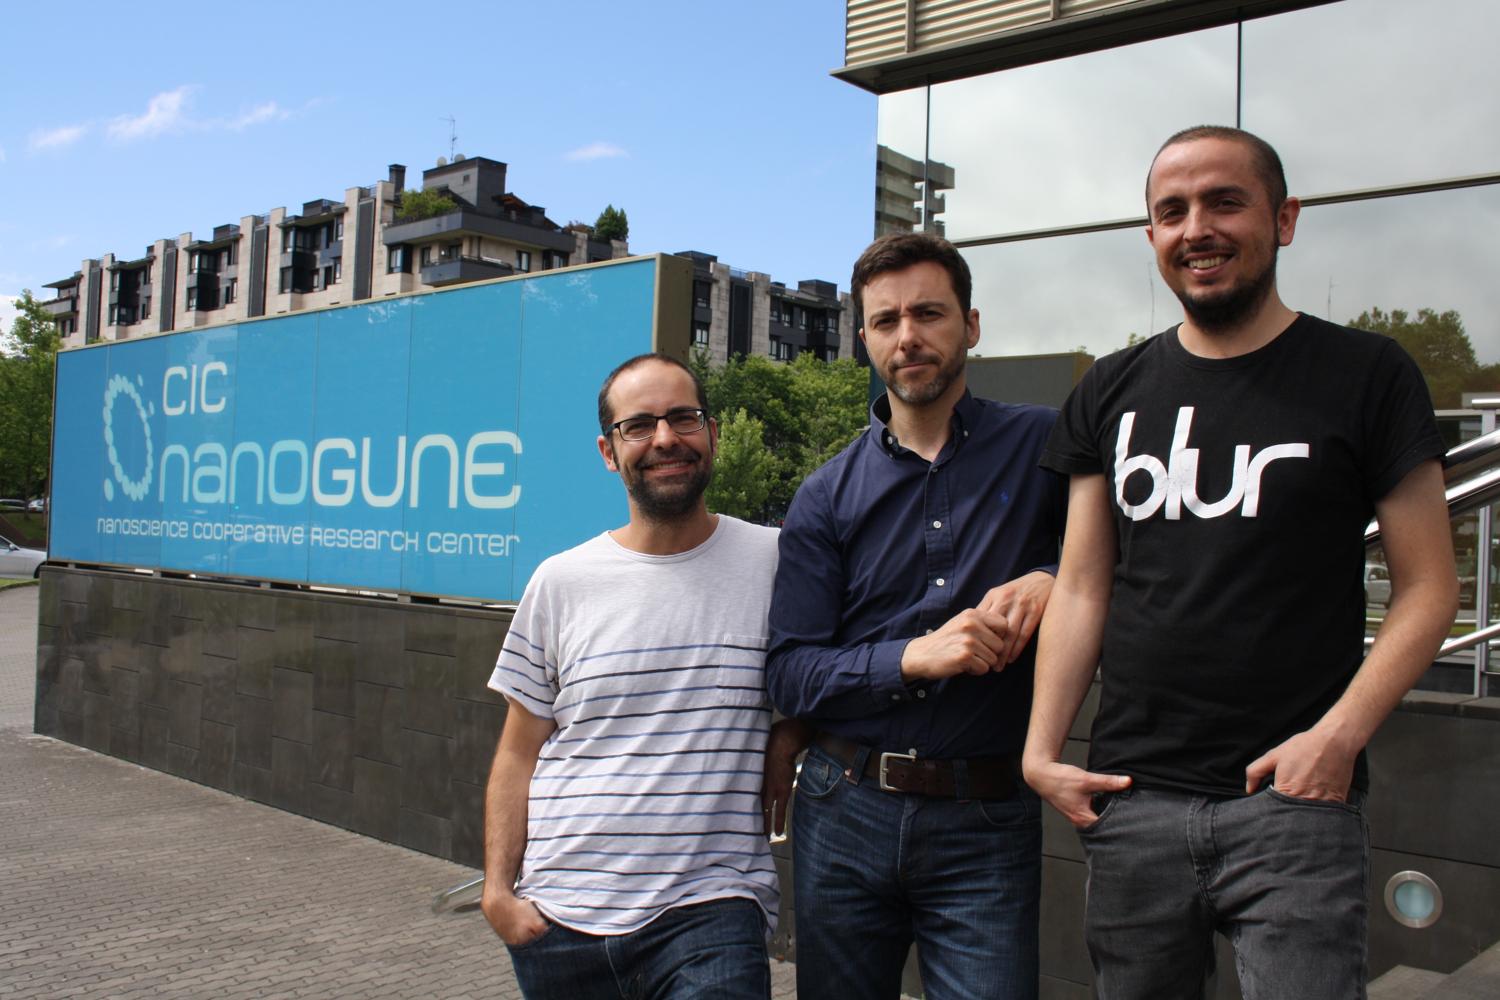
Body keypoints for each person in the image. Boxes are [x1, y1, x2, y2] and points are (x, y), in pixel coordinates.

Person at [1023, 126, 1459, 1000]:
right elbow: (1081, 583)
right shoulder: (1109, 389)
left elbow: (1430, 586)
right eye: (1171, 211)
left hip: (1295, 805)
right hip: (1132, 797)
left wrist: (1337, 740)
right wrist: (1039, 750)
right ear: (1151, 238)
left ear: (1284, 219)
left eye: (1225, 201)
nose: (1197, 228)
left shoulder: (1367, 373)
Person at [766, 232, 1067, 1000]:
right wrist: (912, 656)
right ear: (864, 338)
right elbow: (790, 672)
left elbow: (1128, 557)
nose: (909, 337)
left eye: (929, 314)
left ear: (970, 324)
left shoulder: (1046, 447)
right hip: (844, 808)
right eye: (887, 320)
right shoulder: (825, 495)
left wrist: (1051, 576)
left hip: (988, 815)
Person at [480, 353, 801, 1000]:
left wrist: (791, 733)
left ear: (713, 433)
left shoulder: (777, 561)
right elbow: (519, 752)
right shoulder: (562, 581)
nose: (665, 439)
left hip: (712, 908)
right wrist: (497, 893)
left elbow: (834, 667)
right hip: (559, 924)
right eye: (640, 425)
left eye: (683, 418)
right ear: (609, 450)